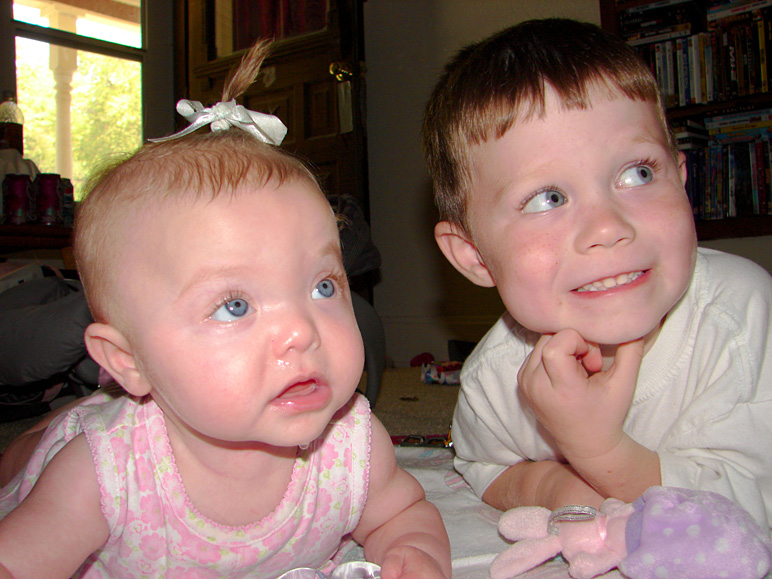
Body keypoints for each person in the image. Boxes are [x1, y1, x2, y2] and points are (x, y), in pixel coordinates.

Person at [0, 40, 451, 579]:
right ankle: (42, 431)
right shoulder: (102, 476)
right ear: (128, 361)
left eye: (323, 287)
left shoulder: (352, 445)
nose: (300, 332)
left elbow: (403, 513)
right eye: (235, 305)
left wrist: (415, 554)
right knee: (29, 457)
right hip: (74, 446)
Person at [422, 18, 772, 529]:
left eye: (638, 173)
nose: (607, 227)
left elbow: (748, 510)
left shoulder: (740, 318)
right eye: (548, 198)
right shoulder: (496, 376)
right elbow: (481, 463)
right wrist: (552, 485)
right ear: (473, 256)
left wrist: (598, 450)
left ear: (681, 177)